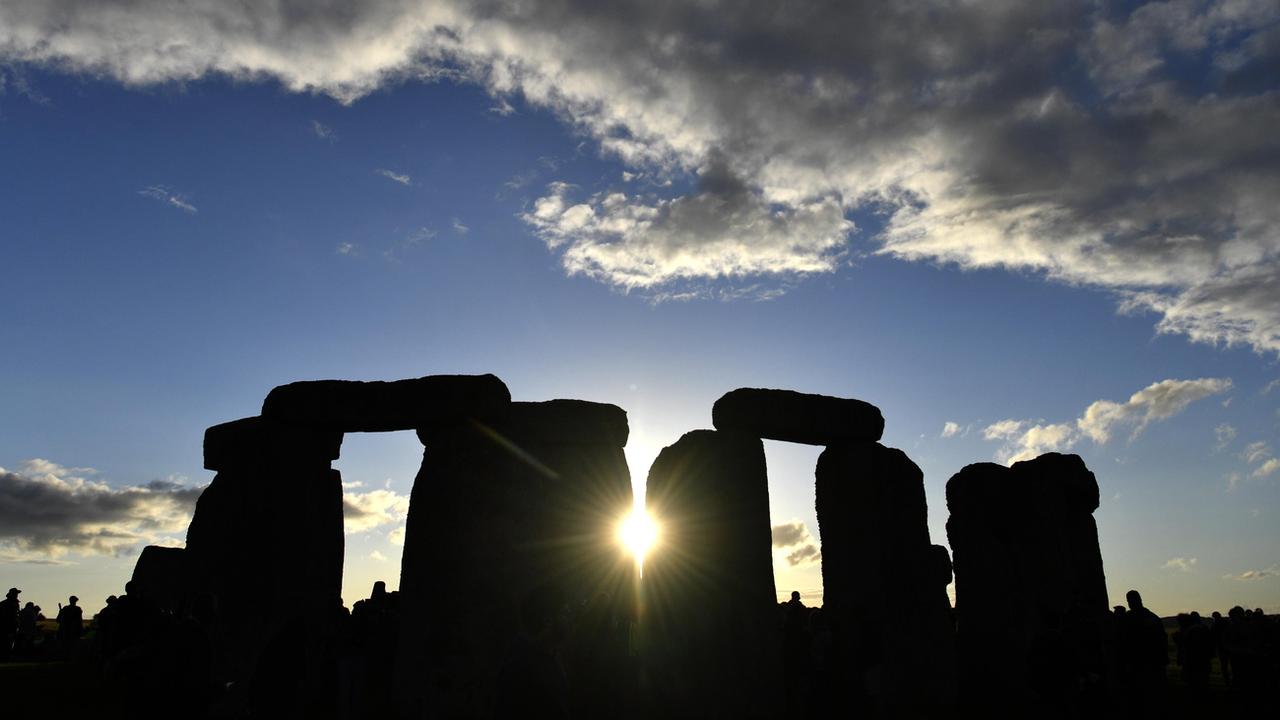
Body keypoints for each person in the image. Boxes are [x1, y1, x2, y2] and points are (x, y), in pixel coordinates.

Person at [0, 588, 19, 662]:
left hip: (5, 628)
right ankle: (5, 659)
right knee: (7, 644)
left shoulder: (3, 603)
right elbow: (11, 618)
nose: (17, 595)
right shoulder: (11, 604)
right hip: (8, 628)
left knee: (5, 644)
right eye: (16, 593)